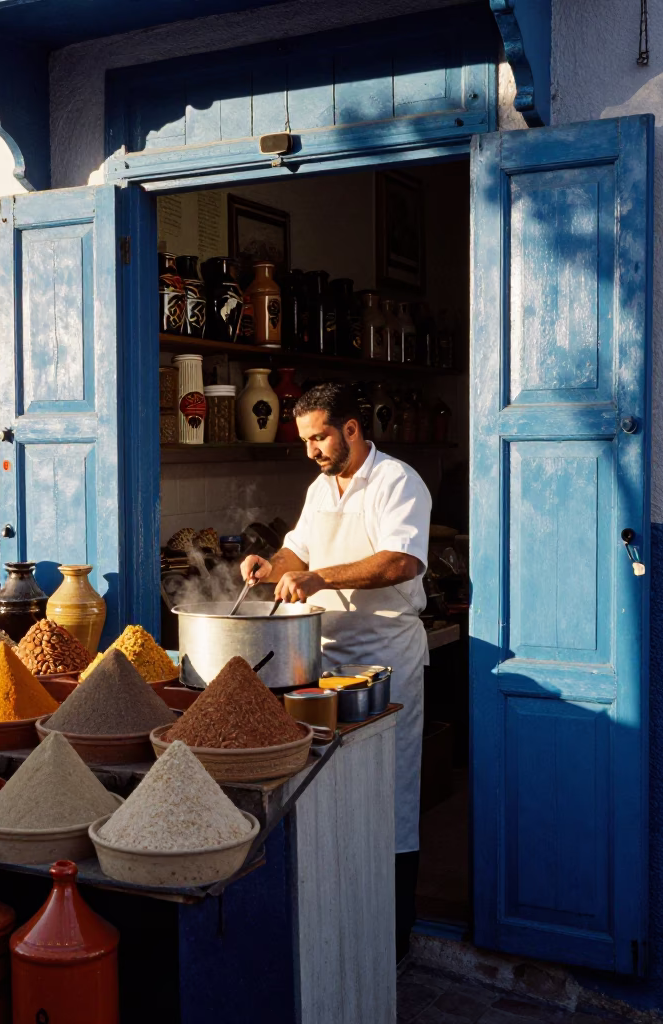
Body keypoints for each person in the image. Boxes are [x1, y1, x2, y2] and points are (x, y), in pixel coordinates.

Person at [240, 382, 431, 961]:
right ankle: (341, 916)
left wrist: (322, 578)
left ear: (352, 428)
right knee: (327, 787)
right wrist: (269, 565)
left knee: (390, 793)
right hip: (320, 658)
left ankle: (391, 942)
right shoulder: (320, 488)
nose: (312, 451)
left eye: (320, 437)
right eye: (305, 441)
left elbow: (401, 559)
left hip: (385, 659)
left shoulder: (398, 480)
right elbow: (297, 552)